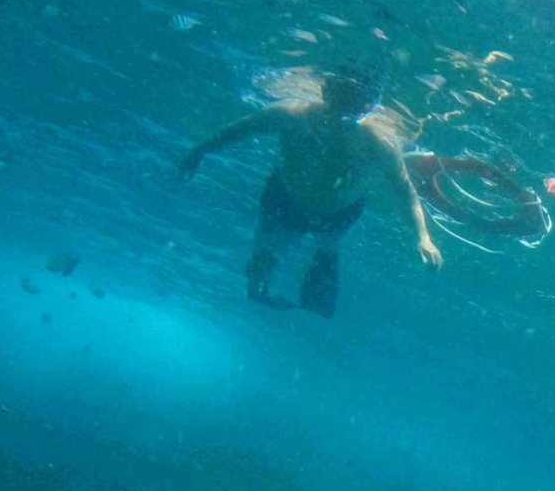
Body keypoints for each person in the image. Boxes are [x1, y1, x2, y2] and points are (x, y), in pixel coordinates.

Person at [177, 66, 442, 316]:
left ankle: (313, 270)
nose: (345, 107)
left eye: (357, 99)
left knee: (321, 244)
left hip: (338, 210)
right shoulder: (289, 115)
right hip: (287, 198)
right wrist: (198, 151)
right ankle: (259, 292)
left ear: (369, 106)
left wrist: (424, 237)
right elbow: (237, 131)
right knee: (264, 258)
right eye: (342, 93)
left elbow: (405, 191)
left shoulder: (380, 143)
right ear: (326, 91)